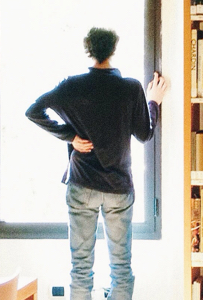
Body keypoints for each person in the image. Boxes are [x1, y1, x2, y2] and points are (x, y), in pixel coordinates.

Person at [25, 27, 166, 300]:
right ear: (113, 50)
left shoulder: (72, 86)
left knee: (80, 269)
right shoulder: (130, 88)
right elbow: (144, 134)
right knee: (121, 269)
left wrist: (70, 136)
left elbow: (33, 112)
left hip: (82, 186)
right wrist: (154, 102)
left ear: (89, 50)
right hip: (118, 188)